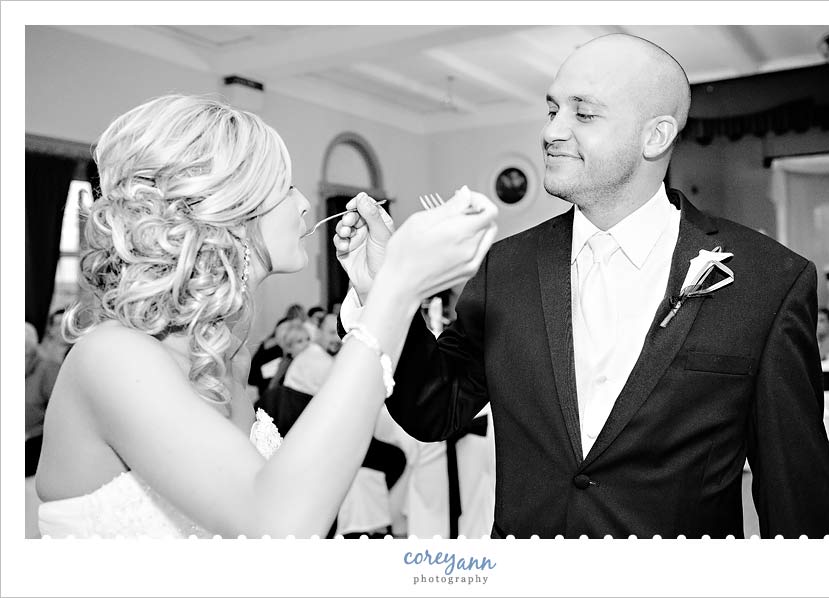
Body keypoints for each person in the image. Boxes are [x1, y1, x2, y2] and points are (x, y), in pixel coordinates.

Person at [335, 34, 829, 539]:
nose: (552, 130)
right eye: (552, 109)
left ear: (655, 136)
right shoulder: (506, 267)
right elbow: (435, 410)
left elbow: (796, 495)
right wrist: (382, 290)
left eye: (583, 114)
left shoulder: (766, 280)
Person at [34, 94, 498, 539]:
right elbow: (276, 522)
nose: (304, 205)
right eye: (286, 187)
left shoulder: (221, 358)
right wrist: (397, 288)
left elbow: (297, 492)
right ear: (225, 207)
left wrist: (378, 289)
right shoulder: (115, 355)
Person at [26, 322, 61, 477]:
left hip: (34, 446)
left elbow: (59, 417)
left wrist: (31, 432)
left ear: (30, 351)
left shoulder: (48, 370)